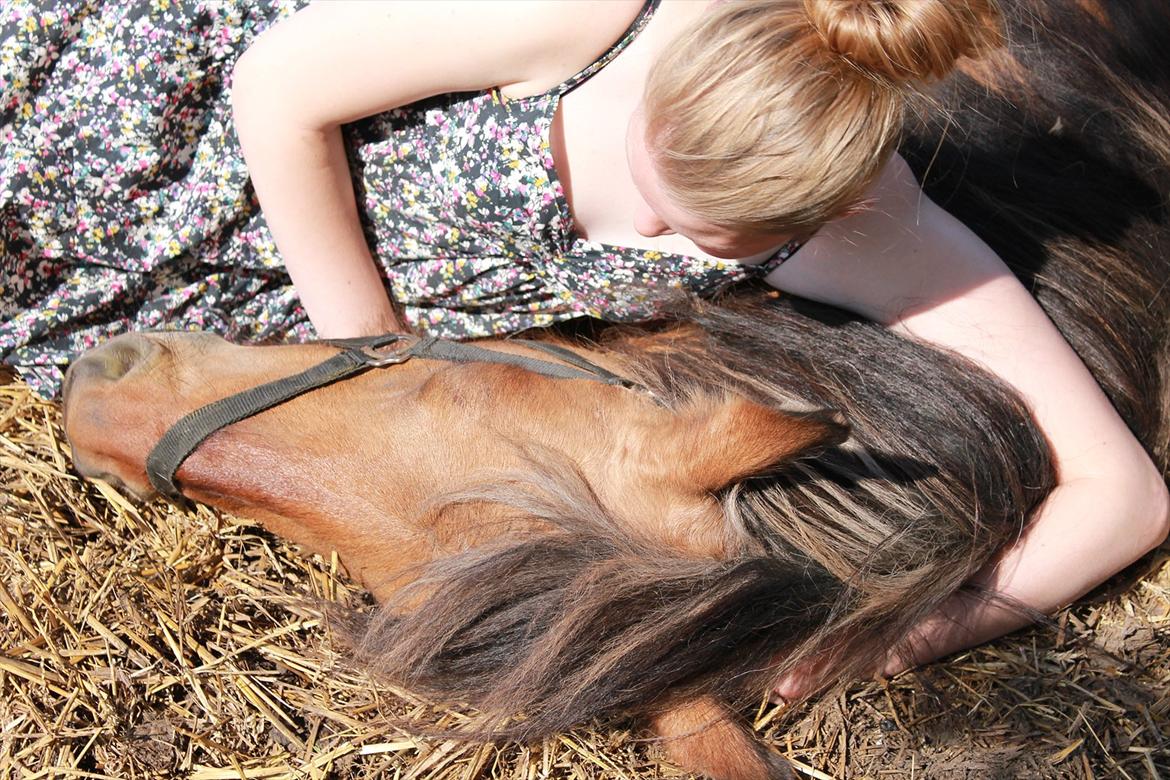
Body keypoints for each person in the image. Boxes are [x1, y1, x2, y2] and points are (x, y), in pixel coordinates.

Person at [231, 0, 1169, 694]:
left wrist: (885, 646)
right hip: (252, 172)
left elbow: (1123, 499)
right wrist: (364, 358)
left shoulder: (871, 230)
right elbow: (275, 91)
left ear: (823, 215)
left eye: (695, 238)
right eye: (651, 174)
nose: (637, 224)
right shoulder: (595, 20)